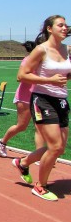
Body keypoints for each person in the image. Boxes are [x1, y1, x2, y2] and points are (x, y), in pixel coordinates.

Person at [12, 15, 71, 201]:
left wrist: (65, 78)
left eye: (65, 25)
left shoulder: (66, 50)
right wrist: (49, 80)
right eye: (60, 25)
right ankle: (40, 186)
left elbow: (64, 75)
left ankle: (22, 162)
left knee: (59, 148)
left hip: (61, 100)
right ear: (49, 28)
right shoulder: (40, 50)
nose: (64, 28)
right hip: (42, 99)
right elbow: (22, 75)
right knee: (54, 146)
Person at [0, 41, 44, 158]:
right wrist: (38, 79)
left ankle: (40, 155)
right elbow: (20, 77)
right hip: (25, 97)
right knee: (21, 126)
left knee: (40, 126)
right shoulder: (28, 60)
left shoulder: (46, 62)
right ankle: (2, 142)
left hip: (39, 97)